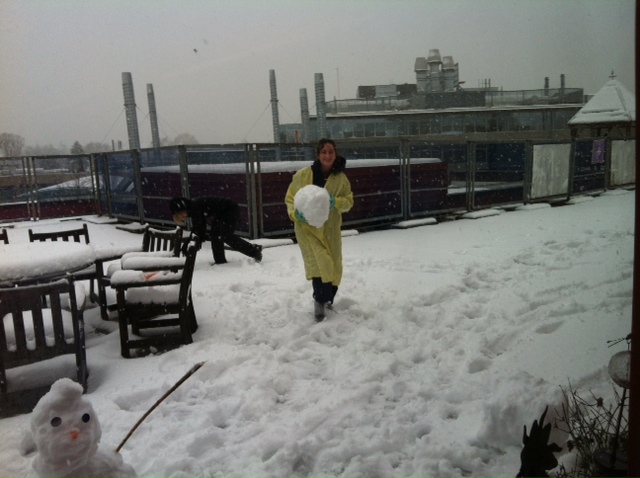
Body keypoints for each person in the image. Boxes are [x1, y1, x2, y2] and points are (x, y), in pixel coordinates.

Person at [285, 138, 354, 321]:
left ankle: (328, 298)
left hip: (330, 230)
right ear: (318, 154)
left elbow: (349, 201)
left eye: (331, 152)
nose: (327, 155)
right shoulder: (303, 175)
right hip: (308, 229)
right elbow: (290, 198)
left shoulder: (341, 179)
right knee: (319, 263)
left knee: (334, 265)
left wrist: (335, 202)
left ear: (335, 154)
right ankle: (319, 301)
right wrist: (295, 214)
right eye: (324, 152)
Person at [169, 196, 262, 264]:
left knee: (226, 236)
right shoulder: (194, 207)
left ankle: (254, 251)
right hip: (223, 213)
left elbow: (199, 229)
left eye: (180, 214)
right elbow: (199, 229)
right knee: (215, 234)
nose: (183, 217)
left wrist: (189, 243)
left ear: (183, 209)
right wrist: (192, 241)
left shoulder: (195, 208)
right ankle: (220, 261)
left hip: (230, 210)